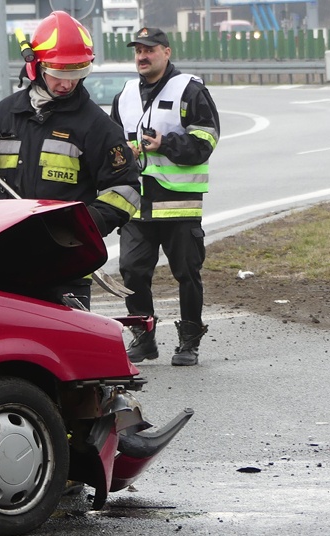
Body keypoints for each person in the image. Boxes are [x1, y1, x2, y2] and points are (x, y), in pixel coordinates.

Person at [0, 11, 141, 309]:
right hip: (6, 255)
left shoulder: (97, 126)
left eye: (76, 75)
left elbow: (126, 189)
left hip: (66, 261)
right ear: (35, 66)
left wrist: (84, 225)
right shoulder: (4, 114)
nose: (67, 84)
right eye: (59, 74)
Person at [109, 27, 220, 366]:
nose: (142, 56)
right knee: (131, 271)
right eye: (138, 51)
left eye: (150, 50)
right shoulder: (125, 94)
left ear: (166, 52)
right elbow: (114, 144)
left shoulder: (190, 91)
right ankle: (144, 338)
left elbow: (207, 141)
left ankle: (189, 341)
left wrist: (166, 144)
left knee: (186, 274)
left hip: (179, 205)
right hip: (137, 204)